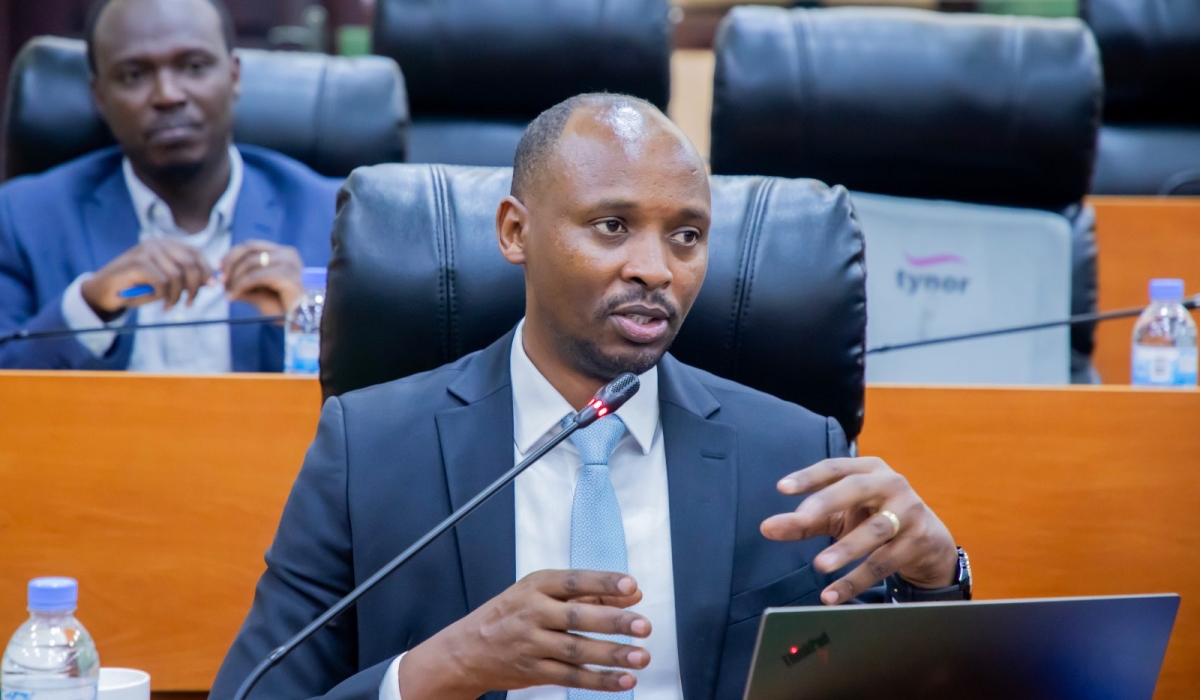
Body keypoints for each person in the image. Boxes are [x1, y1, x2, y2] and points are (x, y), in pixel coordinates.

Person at [210, 94, 970, 700]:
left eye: (687, 236)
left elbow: (897, 682)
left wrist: (938, 585)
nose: (656, 268)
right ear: (516, 233)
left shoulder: (797, 454)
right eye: (612, 226)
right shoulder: (370, 448)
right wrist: (444, 668)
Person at [0, 0, 340, 371]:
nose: (167, 95)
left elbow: (389, 393)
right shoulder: (22, 219)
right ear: (100, 96)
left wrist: (308, 317)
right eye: (134, 75)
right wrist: (88, 306)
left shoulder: (335, 218)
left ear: (235, 75)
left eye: (194, 66)